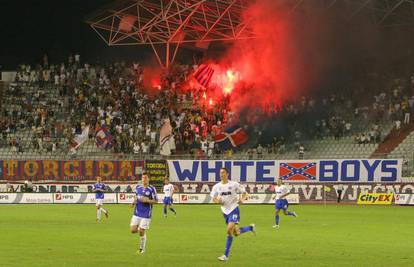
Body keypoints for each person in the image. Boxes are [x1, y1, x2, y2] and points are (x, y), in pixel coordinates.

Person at [210, 168, 256, 262]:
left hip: (234, 209)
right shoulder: (216, 186)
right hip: (225, 212)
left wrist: (243, 199)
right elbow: (213, 198)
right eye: (220, 173)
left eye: (223, 172)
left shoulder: (234, 184)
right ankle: (250, 228)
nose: (221, 174)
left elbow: (245, 193)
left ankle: (225, 256)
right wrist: (217, 201)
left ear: (227, 174)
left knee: (229, 229)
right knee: (236, 233)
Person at [130, 173, 158, 254]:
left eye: (145, 178)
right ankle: (141, 228)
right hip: (137, 213)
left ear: (148, 179)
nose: (144, 179)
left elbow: (156, 201)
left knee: (141, 231)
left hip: (146, 214)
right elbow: (136, 197)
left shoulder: (152, 189)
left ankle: (141, 249)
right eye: (143, 178)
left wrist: (147, 200)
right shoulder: (138, 187)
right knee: (133, 230)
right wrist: (133, 203)